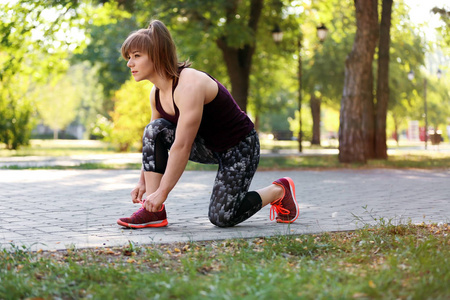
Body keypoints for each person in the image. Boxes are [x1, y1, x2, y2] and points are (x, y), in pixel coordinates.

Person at [117, 20, 299, 229]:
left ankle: (279, 190)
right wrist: (143, 182)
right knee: (154, 129)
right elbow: (153, 142)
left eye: (136, 56)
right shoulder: (156, 93)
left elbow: (182, 146)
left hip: (239, 148)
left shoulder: (190, 85)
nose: (130, 63)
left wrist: (163, 192)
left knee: (222, 217)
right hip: (207, 146)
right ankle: (153, 212)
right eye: (129, 57)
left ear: (157, 54)